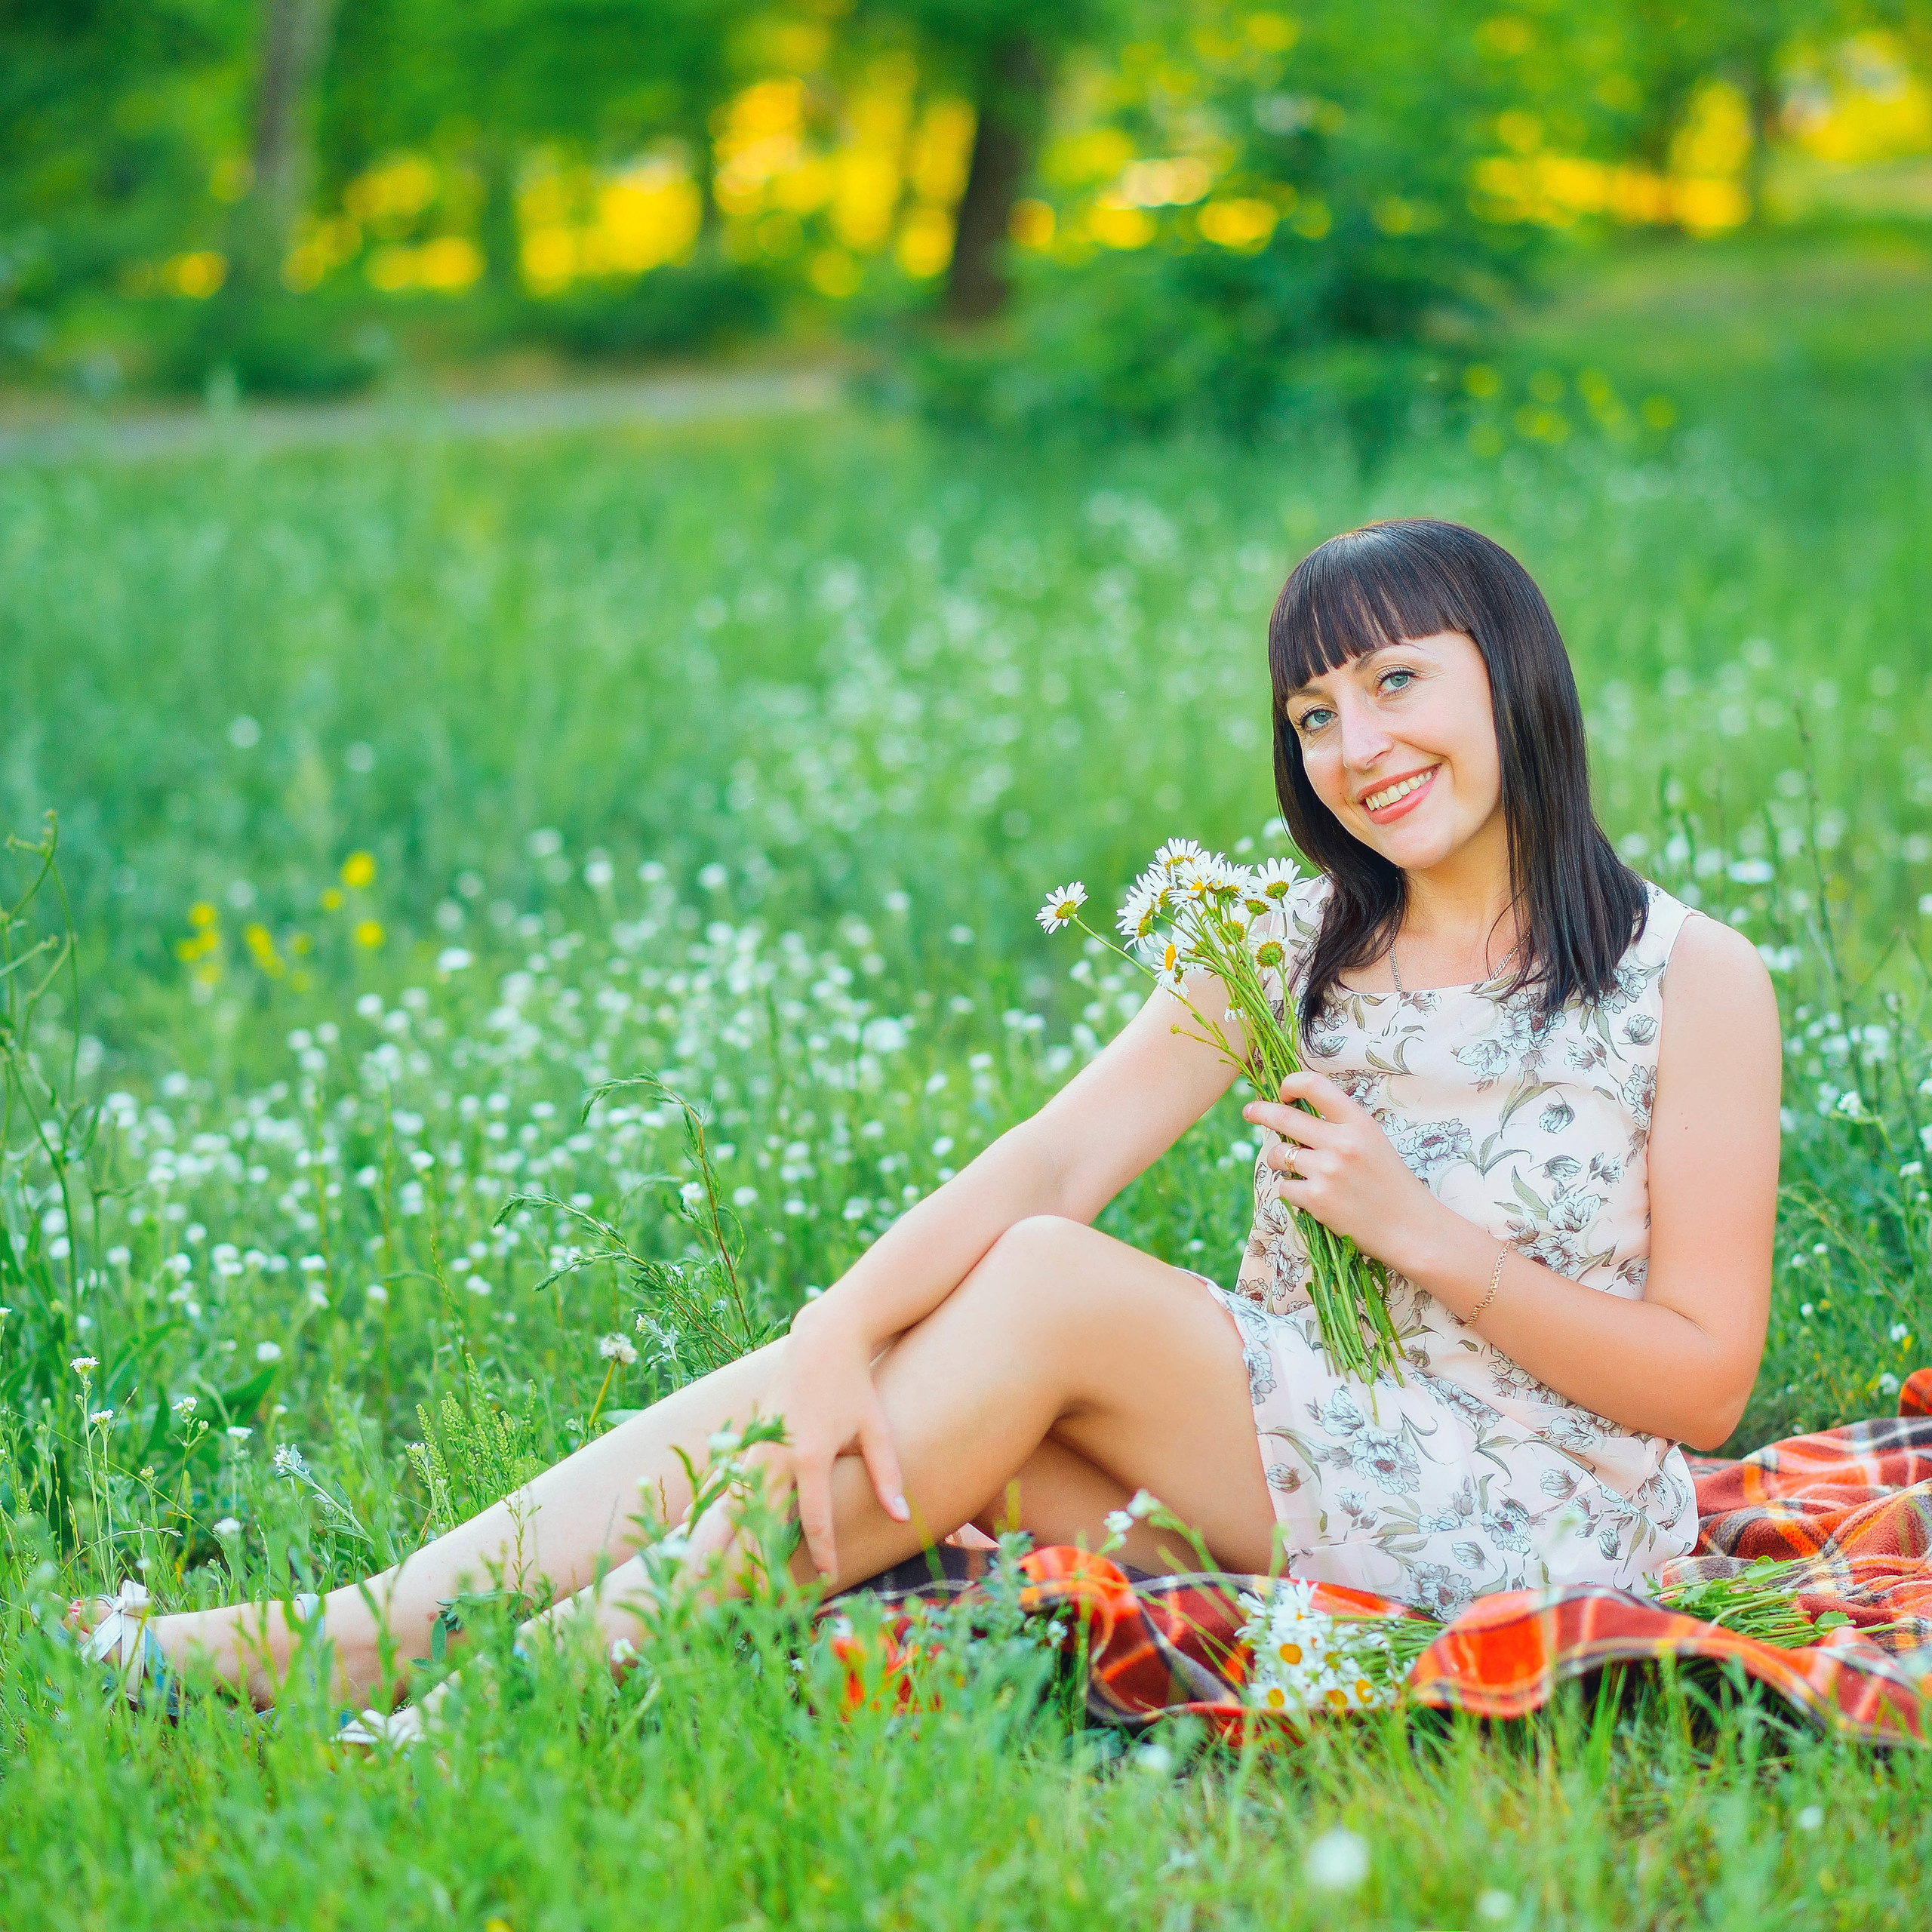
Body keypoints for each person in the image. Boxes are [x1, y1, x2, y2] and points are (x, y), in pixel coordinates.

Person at [74, 517, 1780, 1717]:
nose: (1354, 744)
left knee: (1037, 1286)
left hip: (1536, 1513)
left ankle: (480, 1698)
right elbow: (1056, 1154)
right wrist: (832, 1329)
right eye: (1314, 714)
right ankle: (366, 1637)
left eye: (1397, 682)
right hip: (1290, 1453)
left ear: (1513, 674)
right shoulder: (1290, 939)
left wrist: (1419, 1236)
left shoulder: (1687, 977)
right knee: (907, 1380)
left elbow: (1703, 1386)